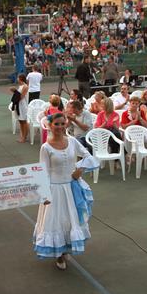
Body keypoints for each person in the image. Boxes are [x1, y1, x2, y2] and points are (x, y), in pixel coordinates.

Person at [34, 113, 98, 270]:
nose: (60, 127)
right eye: (56, 124)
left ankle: (66, 246)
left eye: (63, 123)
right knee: (55, 220)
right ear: (50, 126)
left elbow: (88, 156)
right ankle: (59, 254)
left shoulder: (72, 141)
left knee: (70, 219)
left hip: (71, 187)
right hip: (54, 189)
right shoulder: (46, 147)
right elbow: (43, 172)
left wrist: (80, 169)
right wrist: (45, 194)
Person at [10, 74, 29, 143]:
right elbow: (17, 96)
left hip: (23, 106)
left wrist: (14, 91)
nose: (17, 79)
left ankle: (24, 137)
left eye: (18, 78)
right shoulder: (20, 86)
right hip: (19, 105)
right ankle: (22, 136)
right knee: (20, 121)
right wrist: (14, 91)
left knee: (24, 121)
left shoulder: (25, 86)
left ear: (20, 78)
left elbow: (21, 97)